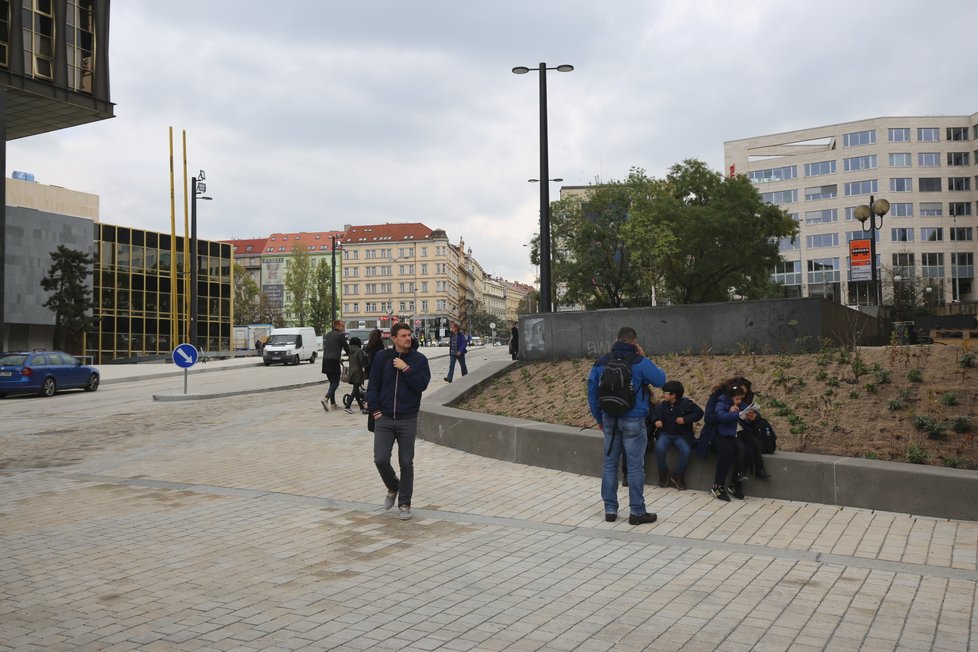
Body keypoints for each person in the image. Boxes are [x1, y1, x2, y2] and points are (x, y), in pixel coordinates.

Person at [587, 326, 667, 525]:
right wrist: (645, 356)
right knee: (634, 467)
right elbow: (660, 380)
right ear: (634, 343)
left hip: (609, 419)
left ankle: (610, 510)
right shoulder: (639, 362)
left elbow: (591, 392)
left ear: (616, 339)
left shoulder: (602, 362)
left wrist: (599, 418)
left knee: (610, 464)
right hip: (633, 420)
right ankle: (637, 512)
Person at [367, 322, 432, 520]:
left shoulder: (419, 360)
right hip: (384, 418)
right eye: (403, 335)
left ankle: (405, 504)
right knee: (380, 459)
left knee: (406, 462)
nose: (408, 338)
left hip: (407, 418)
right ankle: (393, 487)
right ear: (394, 338)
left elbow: (421, 385)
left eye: (409, 335)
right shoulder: (382, 357)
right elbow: (373, 385)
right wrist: (375, 410)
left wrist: (406, 369)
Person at [652, 380, 704, 491]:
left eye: (665, 393)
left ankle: (678, 475)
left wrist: (686, 419)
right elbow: (654, 415)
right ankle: (663, 472)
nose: (663, 395)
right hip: (665, 434)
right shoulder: (662, 405)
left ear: (673, 395)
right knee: (660, 448)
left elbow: (699, 413)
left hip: (681, 435)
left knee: (686, 450)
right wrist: (657, 420)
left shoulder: (686, 404)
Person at [321, 320, 350, 411]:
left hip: (325, 360)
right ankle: (326, 398)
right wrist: (351, 355)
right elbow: (347, 348)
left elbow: (331, 348)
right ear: (337, 326)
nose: (344, 328)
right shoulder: (340, 335)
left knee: (332, 382)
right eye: (343, 326)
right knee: (336, 382)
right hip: (333, 361)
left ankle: (333, 404)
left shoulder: (328, 334)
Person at [342, 336, 368, 414]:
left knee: (356, 389)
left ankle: (361, 406)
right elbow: (362, 362)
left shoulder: (350, 351)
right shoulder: (359, 351)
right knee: (355, 390)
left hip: (351, 372)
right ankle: (348, 406)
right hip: (358, 372)